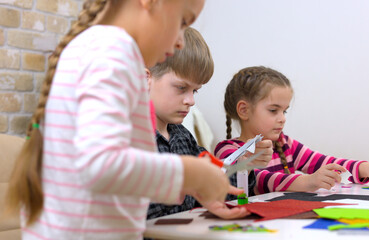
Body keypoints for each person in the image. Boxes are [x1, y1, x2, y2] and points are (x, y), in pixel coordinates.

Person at [6, 1, 248, 239]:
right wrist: (189, 172)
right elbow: (101, 164)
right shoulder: (113, 51)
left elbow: (115, 179)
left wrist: (192, 186)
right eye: (182, 22)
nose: (180, 41)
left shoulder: (95, 47)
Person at [215, 66, 369, 195]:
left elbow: (325, 162)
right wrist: (308, 181)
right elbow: (261, 180)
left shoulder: (285, 144)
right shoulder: (228, 150)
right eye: (273, 110)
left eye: (284, 111)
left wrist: (366, 168)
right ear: (244, 110)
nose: (282, 118)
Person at [145, 27, 212, 219]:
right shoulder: (131, 139)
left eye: (195, 91)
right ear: (146, 78)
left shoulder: (183, 136)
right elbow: (139, 207)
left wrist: (243, 166)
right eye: (181, 88)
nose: (191, 100)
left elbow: (211, 191)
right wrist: (188, 180)